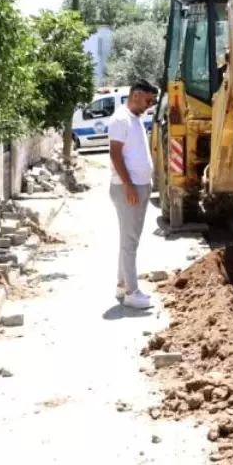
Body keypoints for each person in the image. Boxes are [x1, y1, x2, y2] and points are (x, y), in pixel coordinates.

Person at [109, 79, 158, 309]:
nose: (150, 105)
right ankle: (132, 292)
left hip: (138, 185)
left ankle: (121, 284)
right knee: (130, 242)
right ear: (136, 95)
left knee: (126, 240)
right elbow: (115, 156)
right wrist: (129, 185)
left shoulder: (135, 118)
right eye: (148, 100)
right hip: (129, 188)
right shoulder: (121, 119)